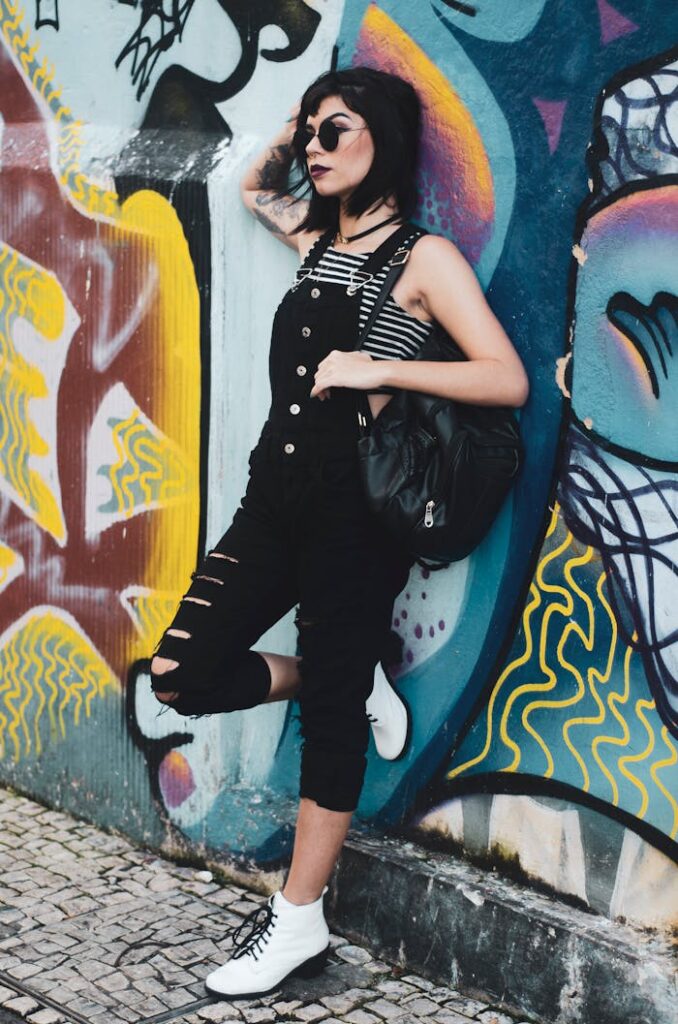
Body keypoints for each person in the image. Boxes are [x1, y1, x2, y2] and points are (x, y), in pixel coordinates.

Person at [149, 66, 528, 1000]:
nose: (314, 148)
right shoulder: (319, 239)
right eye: (311, 133)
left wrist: (378, 368)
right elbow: (250, 187)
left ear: (386, 143)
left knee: (326, 731)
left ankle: (299, 918)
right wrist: (302, 120)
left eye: (337, 131)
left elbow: (505, 378)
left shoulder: (422, 260)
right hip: (272, 499)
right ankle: (345, 673)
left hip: (359, 516)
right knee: (180, 675)